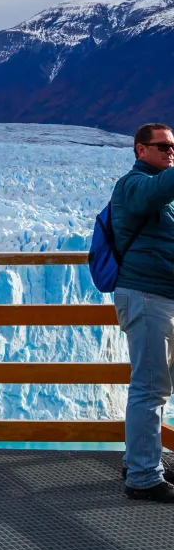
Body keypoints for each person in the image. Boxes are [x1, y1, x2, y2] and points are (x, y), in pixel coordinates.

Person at [112, 122, 174, 501]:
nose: (171, 152)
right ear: (140, 150)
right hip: (146, 296)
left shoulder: (160, 191)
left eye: (173, 147)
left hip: (160, 296)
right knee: (149, 388)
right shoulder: (134, 185)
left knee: (156, 387)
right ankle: (143, 478)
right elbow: (151, 194)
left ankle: (139, 459)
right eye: (163, 146)